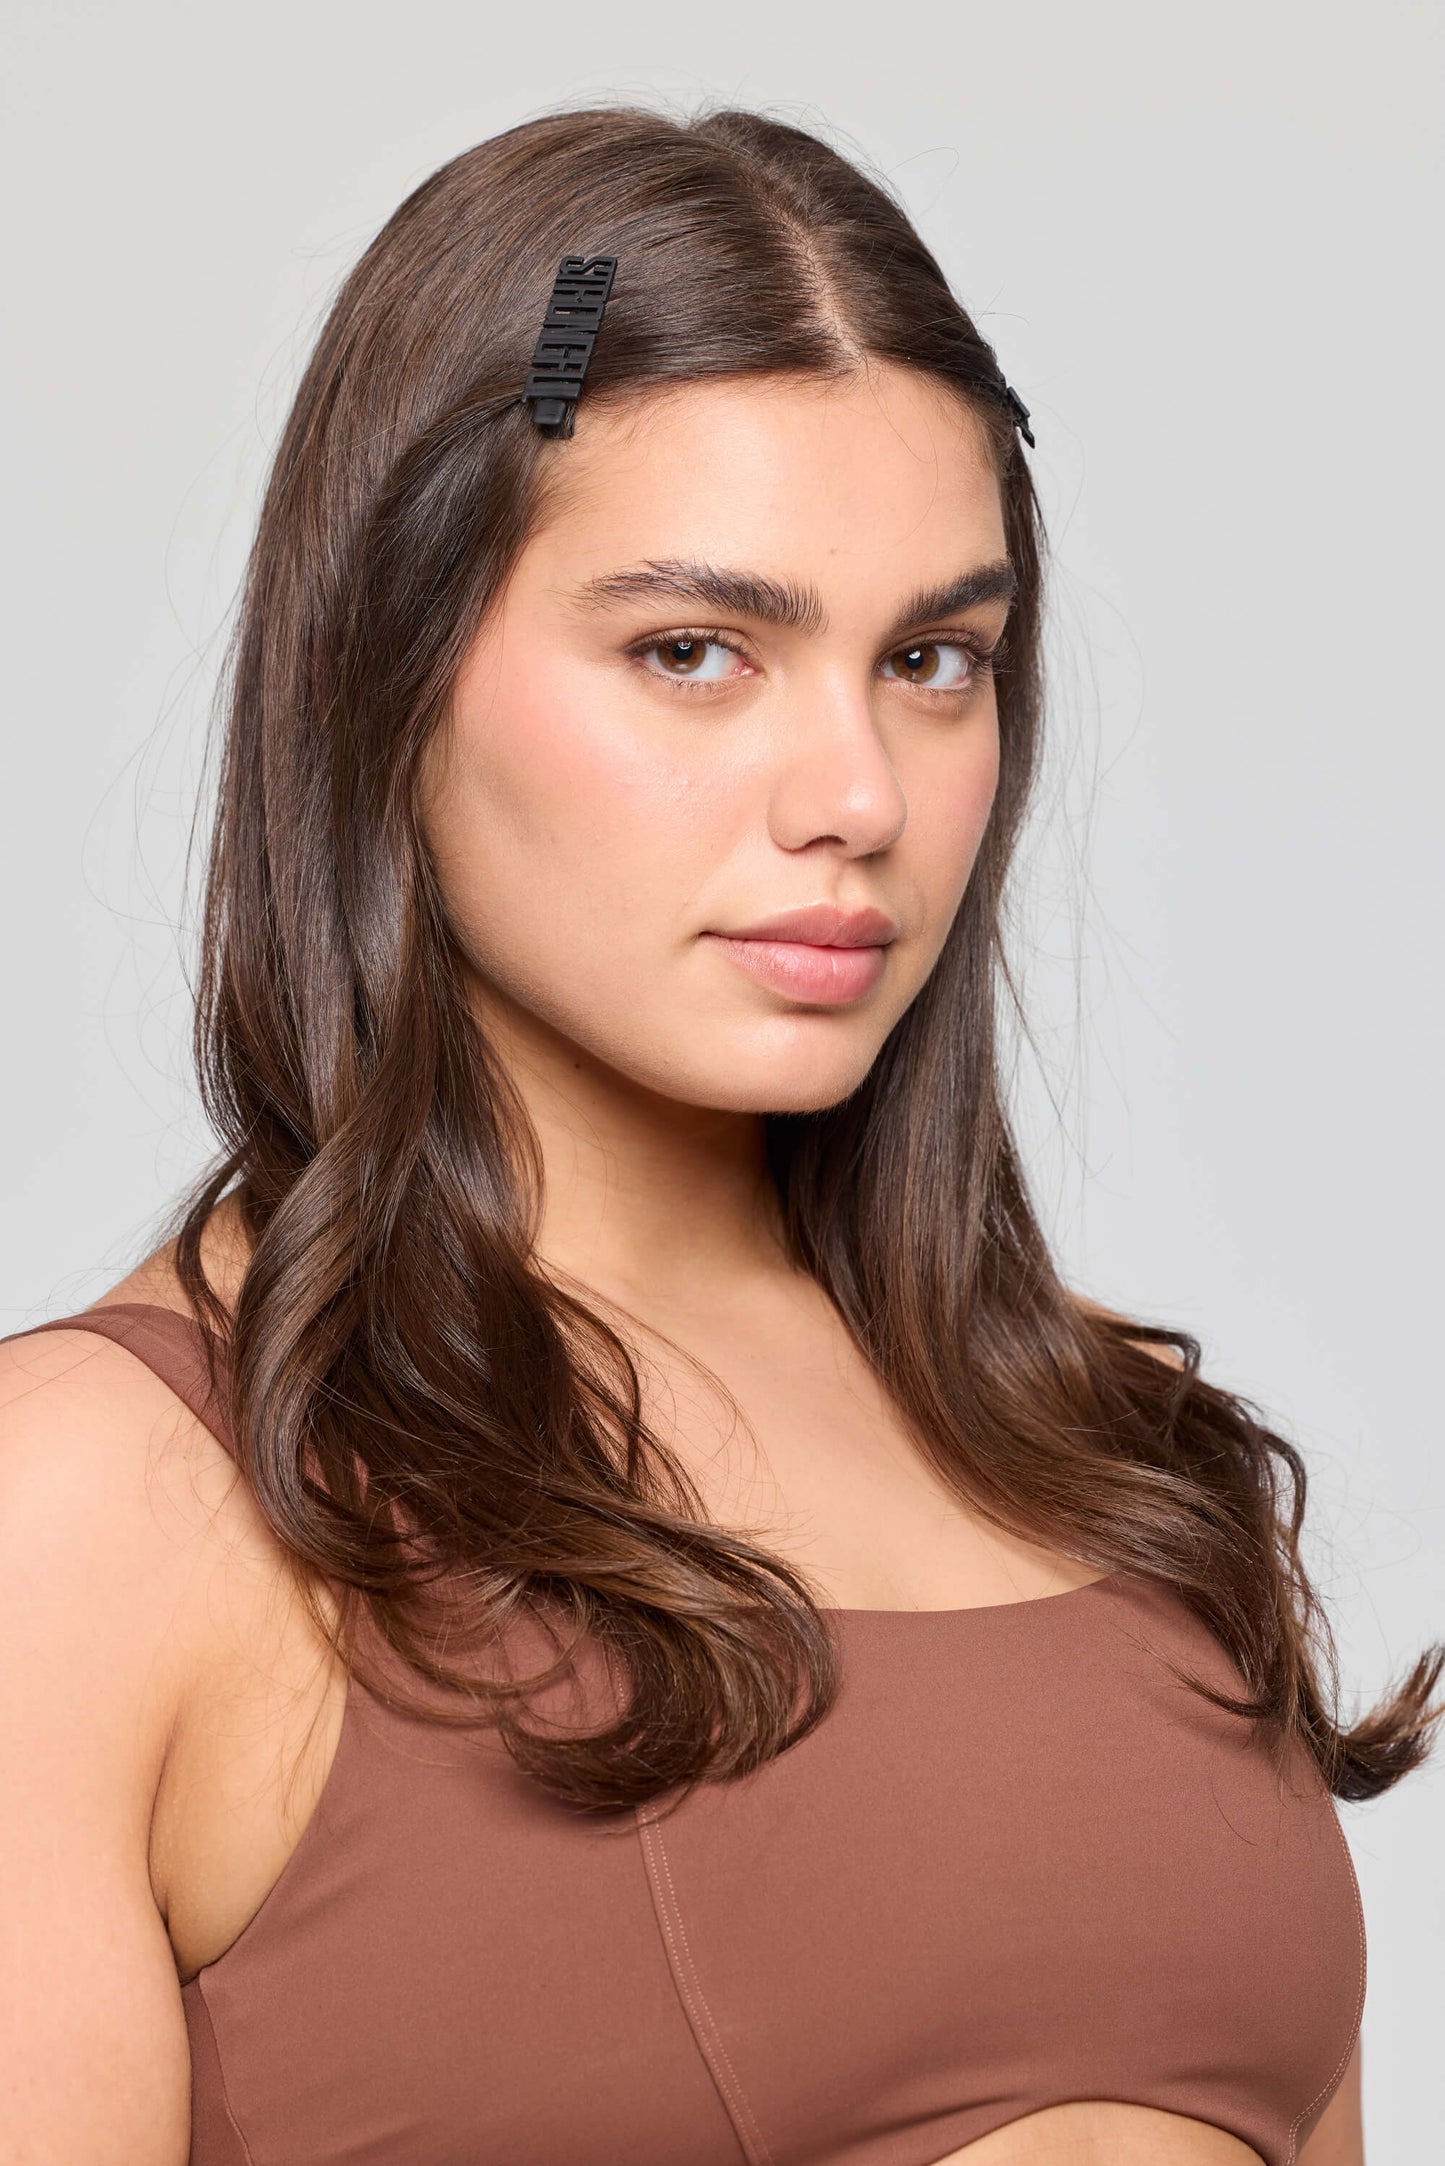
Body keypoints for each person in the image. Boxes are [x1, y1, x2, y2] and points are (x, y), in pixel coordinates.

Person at [1, 103, 1437, 2166]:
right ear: (387, 669)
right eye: (693, 653)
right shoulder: (97, 1517)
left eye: (932, 659)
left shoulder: (1115, 1453)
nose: (856, 792)